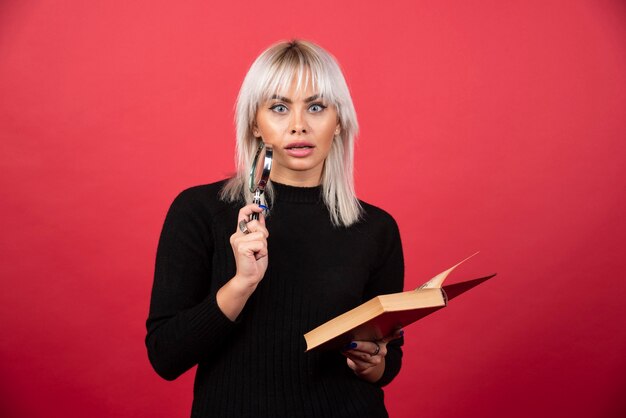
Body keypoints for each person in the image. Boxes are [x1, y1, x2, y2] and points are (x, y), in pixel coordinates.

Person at [146, 40, 405, 418]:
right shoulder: (200, 211)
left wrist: (373, 362)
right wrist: (241, 285)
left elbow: (388, 363)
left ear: (339, 122)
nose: (299, 125)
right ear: (255, 121)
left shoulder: (376, 228)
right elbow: (165, 357)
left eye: (316, 107)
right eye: (279, 107)